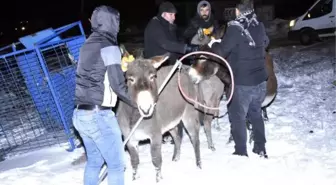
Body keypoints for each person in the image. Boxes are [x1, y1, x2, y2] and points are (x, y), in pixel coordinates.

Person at [73, 5, 137, 185]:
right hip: (99, 115)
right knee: (116, 165)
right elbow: (117, 85)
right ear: (112, 22)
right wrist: (137, 103)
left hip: (80, 114)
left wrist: (118, 67)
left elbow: (96, 73)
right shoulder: (110, 46)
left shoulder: (87, 44)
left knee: (95, 162)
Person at [208, 1, 270, 158]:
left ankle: (241, 150)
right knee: (255, 113)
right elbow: (266, 42)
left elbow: (221, 52)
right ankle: (260, 147)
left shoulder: (235, 28)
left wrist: (213, 44)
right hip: (261, 80)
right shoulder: (259, 24)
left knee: (238, 117)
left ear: (237, 11)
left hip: (243, 82)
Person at [144, 1, 199, 66]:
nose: (174, 17)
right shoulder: (154, 25)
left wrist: (189, 54)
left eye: (174, 15)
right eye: (171, 14)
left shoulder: (168, 25)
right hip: (155, 63)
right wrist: (187, 48)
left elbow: (174, 45)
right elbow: (166, 44)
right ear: (163, 14)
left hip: (168, 60)